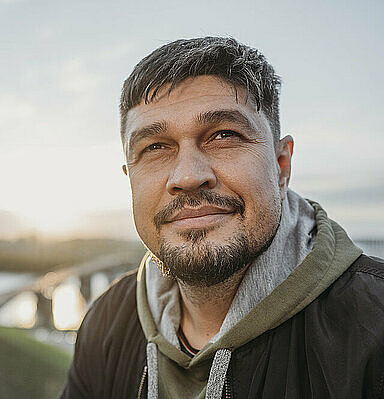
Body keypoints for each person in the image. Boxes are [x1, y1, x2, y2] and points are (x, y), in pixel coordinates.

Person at [60, 37, 384, 399]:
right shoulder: (106, 321)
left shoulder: (375, 327)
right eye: (154, 148)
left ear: (281, 167)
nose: (186, 176)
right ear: (130, 179)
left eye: (224, 135)